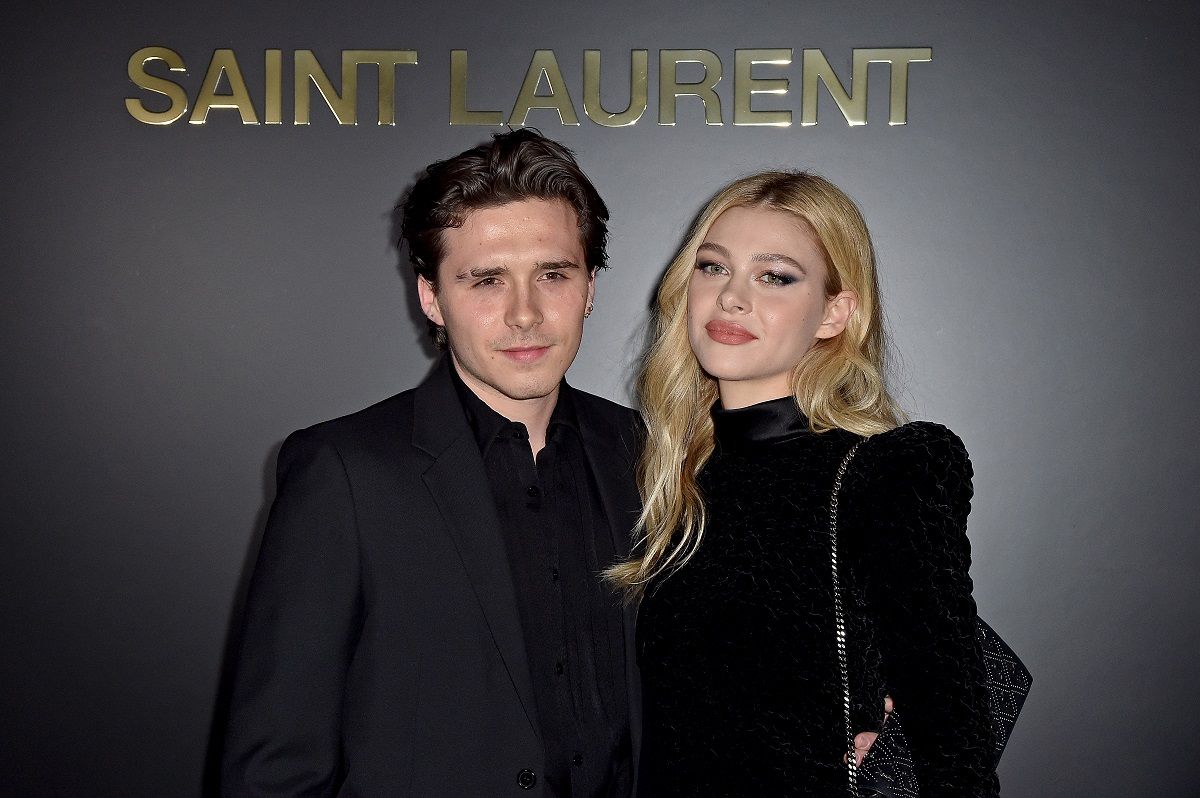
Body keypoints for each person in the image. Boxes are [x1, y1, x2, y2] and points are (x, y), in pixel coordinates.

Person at [220, 129, 643, 796]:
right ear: (431, 296)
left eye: (553, 275)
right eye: (487, 280)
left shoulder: (644, 452)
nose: (525, 314)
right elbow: (276, 766)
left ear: (590, 286)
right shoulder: (344, 472)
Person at [608, 172, 1000, 796]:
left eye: (775, 276)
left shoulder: (884, 471)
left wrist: (894, 753)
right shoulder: (665, 477)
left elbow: (956, 742)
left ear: (835, 312)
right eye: (713, 267)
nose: (731, 298)